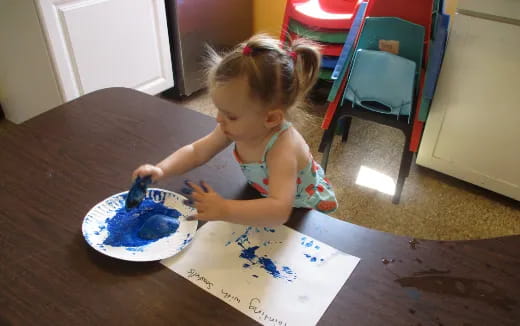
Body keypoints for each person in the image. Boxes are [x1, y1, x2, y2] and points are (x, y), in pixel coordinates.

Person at [133, 34, 337, 226]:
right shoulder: (235, 127)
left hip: (300, 209)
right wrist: (161, 170)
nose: (219, 119)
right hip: (262, 194)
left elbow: (279, 210)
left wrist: (225, 209)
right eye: (219, 110)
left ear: (271, 118)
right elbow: (196, 152)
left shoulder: (283, 149)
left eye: (230, 115)